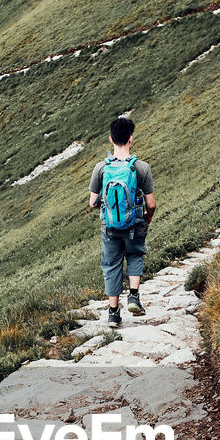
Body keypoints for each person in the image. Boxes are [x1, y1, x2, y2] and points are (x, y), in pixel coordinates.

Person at [89, 115, 156, 325]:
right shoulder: (141, 167)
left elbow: (92, 202)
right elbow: (151, 203)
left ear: (111, 139)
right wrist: (147, 217)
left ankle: (113, 313)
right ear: (130, 139)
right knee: (135, 254)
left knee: (111, 264)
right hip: (135, 223)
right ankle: (134, 296)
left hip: (109, 225)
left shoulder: (101, 168)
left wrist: (108, 208)